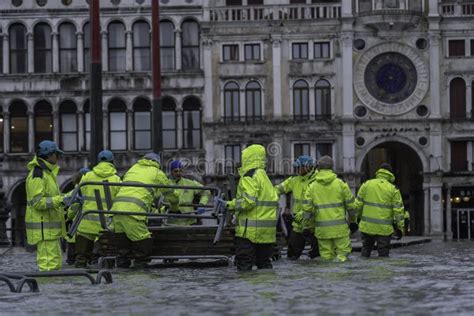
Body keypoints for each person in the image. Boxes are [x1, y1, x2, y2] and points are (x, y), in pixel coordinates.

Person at [111, 152, 179, 268]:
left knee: (123, 249)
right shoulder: (157, 172)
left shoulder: (133, 168)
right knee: (143, 241)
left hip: (117, 210)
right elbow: (171, 194)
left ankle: (122, 274)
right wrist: (174, 208)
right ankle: (140, 270)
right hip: (134, 211)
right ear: (157, 163)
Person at [224, 144, 279, 271]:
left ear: (247, 158)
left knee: (244, 268)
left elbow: (248, 202)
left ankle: (248, 292)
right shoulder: (264, 176)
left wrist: (229, 204)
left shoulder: (249, 176)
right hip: (267, 234)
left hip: (249, 233)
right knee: (264, 266)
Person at [25, 140, 75, 271]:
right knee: (49, 267)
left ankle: (52, 290)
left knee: (54, 266)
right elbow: (38, 202)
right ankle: (46, 291)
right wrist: (62, 200)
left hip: (49, 231)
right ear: (49, 155)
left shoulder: (46, 173)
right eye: (56, 154)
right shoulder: (38, 174)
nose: (58, 157)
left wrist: (68, 196)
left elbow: (51, 197)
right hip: (44, 230)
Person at [302, 156, 357, 262]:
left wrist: (306, 226)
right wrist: (353, 221)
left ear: (318, 168)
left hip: (322, 231)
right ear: (332, 168)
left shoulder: (312, 186)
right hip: (340, 230)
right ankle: (340, 277)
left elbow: (307, 210)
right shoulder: (341, 184)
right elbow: (351, 206)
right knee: (342, 256)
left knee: (326, 258)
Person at [73, 150, 121, 268]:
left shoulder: (87, 176)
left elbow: (82, 192)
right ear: (112, 162)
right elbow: (118, 199)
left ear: (98, 162)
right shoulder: (116, 179)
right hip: (107, 223)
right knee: (108, 254)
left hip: (87, 221)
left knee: (81, 257)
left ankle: (81, 276)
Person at [354, 163, 405, 257]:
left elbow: (358, 204)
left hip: (367, 226)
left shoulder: (366, 184)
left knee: (366, 249)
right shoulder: (393, 189)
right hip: (384, 229)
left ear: (378, 172)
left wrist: (356, 219)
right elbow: (398, 211)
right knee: (383, 254)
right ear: (390, 174)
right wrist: (400, 227)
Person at [275, 155, 319, 260]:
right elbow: (277, 189)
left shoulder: (318, 181)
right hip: (298, 224)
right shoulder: (294, 181)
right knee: (292, 255)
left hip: (315, 225)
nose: (297, 170)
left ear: (307, 167)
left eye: (299, 167)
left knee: (318, 256)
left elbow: (317, 203)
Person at [166, 160, 210, 226]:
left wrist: (202, 204)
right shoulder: (165, 184)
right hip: (170, 222)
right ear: (171, 172)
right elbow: (157, 200)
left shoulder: (190, 183)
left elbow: (206, 191)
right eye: (176, 171)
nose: (178, 173)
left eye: (180, 170)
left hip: (189, 222)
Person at [64, 167, 90, 266]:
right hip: (89, 230)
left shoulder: (76, 190)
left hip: (75, 231)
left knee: (72, 261)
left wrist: (69, 217)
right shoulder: (94, 188)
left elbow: (72, 210)